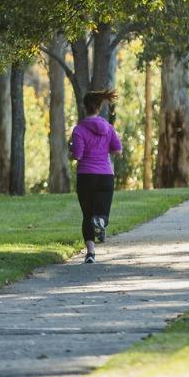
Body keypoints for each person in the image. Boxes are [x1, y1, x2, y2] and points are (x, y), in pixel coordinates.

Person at [70, 87, 123, 262]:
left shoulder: (79, 130)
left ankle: (91, 253)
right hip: (105, 177)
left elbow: (77, 154)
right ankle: (101, 222)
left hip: (86, 176)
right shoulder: (108, 128)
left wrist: (72, 150)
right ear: (99, 108)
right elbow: (118, 150)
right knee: (101, 214)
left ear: (84, 107)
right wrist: (103, 147)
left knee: (87, 215)